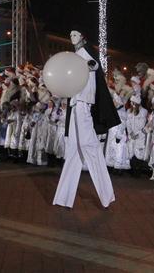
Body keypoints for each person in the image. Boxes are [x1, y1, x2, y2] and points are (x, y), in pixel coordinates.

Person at [53, 29, 120, 209]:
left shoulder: (85, 53)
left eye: (75, 35)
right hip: (75, 104)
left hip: (83, 104)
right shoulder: (73, 55)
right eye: (70, 35)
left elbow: (95, 65)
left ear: (82, 37)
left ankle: (107, 195)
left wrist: (89, 64)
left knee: (89, 147)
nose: (71, 37)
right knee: (74, 150)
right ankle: (63, 197)